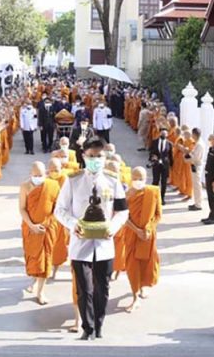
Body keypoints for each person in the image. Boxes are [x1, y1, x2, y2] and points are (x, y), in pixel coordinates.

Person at [55, 137, 129, 341]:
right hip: (80, 243)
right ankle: (87, 328)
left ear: (105, 157)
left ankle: (99, 324)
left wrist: (113, 227)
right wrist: (73, 224)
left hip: (104, 243)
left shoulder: (113, 181)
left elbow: (123, 211)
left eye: (99, 156)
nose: (95, 160)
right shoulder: (73, 180)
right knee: (84, 289)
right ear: (84, 156)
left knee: (102, 288)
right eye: (91, 156)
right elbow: (59, 210)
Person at [19, 161, 60, 305]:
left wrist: (46, 223)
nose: (38, 178)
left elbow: (58, 208)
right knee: (33, 258)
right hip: (30, 228)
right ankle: (35, 280)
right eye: (35, 175)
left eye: (40, 175)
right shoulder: (25, 186)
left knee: (45, 259)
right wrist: (32, 225)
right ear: (31, 174)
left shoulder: (53, 185)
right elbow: (22, 209)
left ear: (46, 173)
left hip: (47, 228)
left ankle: (41, 292)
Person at [123, 166, 161, 313]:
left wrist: (148, 229)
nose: (138, 181)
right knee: (132, 266)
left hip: (148, 235)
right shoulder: (126, 195)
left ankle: (144, 285)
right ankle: (135, 297)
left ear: (146, 179)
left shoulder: (153, 192)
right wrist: (137, 230)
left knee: (147, 262)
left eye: (141, 178)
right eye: (135, 178)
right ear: (131, 178)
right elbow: (123, 216)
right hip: (132, 234)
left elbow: (158, 215)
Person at [149, 127, 173, 206]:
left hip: (165, 165)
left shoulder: (169, 144)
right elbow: (151, 152)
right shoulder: (154, 142)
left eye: (165, 134)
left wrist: (171, 165)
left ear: (167, 135)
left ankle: (162, 198)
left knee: (164, 182)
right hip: (156, 164)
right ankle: (153, 197)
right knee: (155, 180)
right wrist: (152, 158)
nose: (163, 135)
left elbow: (170, 155)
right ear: (159, 133)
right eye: (162, 133)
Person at [202, 134, 214, 225]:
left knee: (213, 197)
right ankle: (211, 215)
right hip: (208, 175)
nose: (209, 141)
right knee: (210, 196)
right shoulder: (211, 149)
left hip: (212, 177)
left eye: (211, 139)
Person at [188, 128, 205, 213]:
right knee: (195, 185)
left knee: (197, 185)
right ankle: (196, 202)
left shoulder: (199, 145)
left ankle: (198, 204)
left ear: (194, 135)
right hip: (194, 165)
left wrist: (188, 158)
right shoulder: (197, 143)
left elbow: (196, 157)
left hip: (196, 165)